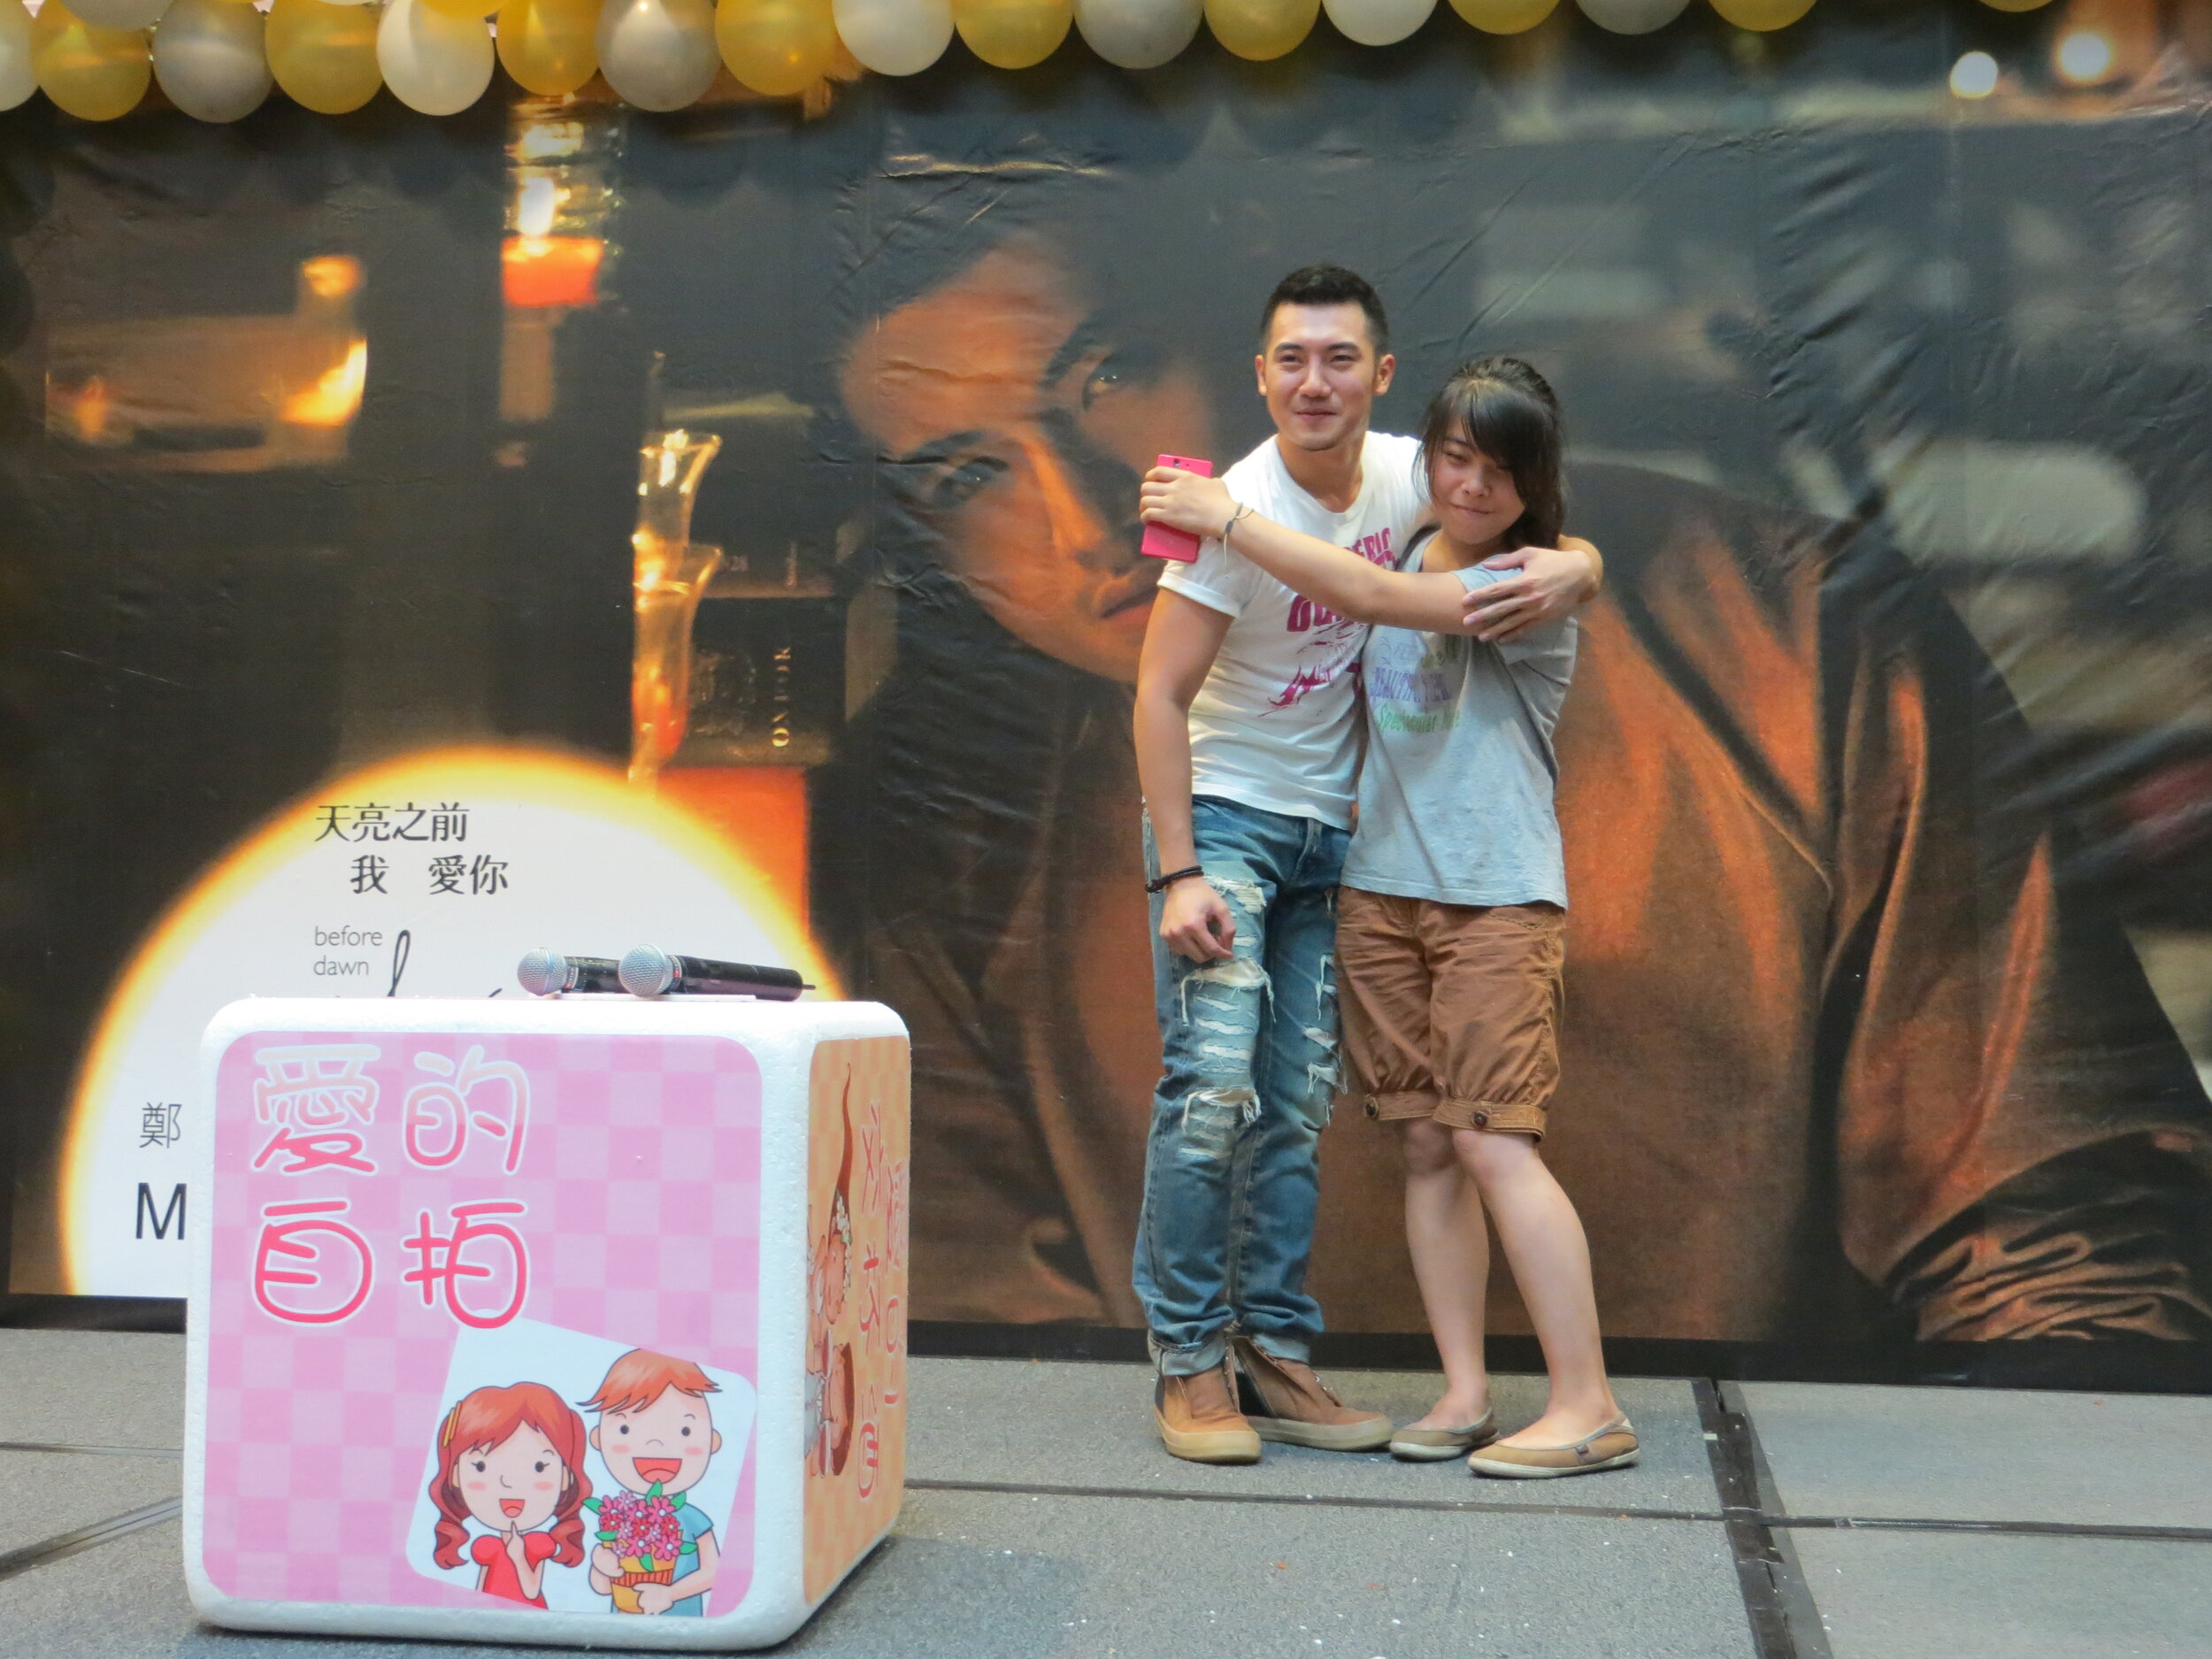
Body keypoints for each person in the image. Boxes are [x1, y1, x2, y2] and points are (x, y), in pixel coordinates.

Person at [818, 207, 2212, 1348]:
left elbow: (2064, 1250)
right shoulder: (956, 830)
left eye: (1110, 377)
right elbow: (993, 1354)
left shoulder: (1784, 634)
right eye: (963, 479)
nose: (1085, 515)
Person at [1129, 271, 1601, 1463]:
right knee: (1215, 1091)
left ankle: (1278, 1354)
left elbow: (1419, 571)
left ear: (1380, 375)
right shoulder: (1240, 499)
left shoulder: (1411, 484)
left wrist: (1582, 561)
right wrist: (1177, 869)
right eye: (1291, 358)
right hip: (1238, 824)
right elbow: (1158, 693)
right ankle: (1191, 1363)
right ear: (1259, 373)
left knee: (1301, 1107)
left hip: (1356, 845)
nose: (1314, 381)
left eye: (1339, 358)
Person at [426, 1381, 593, 1608]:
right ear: (455, 1475)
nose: (508, 1483)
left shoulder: (537, 1544)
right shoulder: (488, 1547)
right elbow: (480, 1589)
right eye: (481, 1466)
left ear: (565, 1476)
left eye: (540, 1467)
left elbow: (532, 1591)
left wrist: (518, 1556)